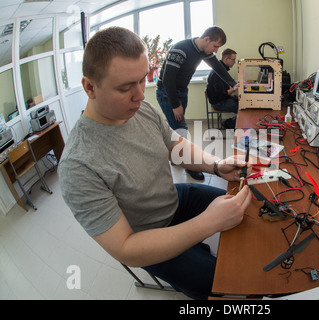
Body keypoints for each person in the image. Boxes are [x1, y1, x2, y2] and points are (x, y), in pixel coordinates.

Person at [58, 27, 252, 300]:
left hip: (172, 198)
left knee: (248, 208)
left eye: (142, 80)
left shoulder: (143, 109)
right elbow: (126, 248)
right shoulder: (79, 166)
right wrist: (207, 224)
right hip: (147, 236)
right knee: (226, 283)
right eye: (126, 87)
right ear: (90, 87)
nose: (140, 95)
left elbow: (176, 146)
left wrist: (216, 166)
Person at [156, 26, 237, 181]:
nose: (215, 51)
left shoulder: (203, 51)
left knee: (176, 128)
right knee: (182, 129)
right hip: (167, 93)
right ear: (206, 39)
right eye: (215, 46)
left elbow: (218, 67)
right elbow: (167, 79)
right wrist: (175, 105)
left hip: (181, 91)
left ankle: (176, 157)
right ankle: (190, 166)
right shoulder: (181, 49)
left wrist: (233, 83)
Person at [206, 48, 239, 129]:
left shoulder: (221, 70)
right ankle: (229, 123)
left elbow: (221, 92)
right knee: (243, 108)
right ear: (226, 59)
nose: (234, 62)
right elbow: (221, 94)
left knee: (242, 103)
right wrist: (234, 89)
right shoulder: (217, 73)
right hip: (218, 103)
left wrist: (231, 96)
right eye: (233, 59)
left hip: (221, 99)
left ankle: (231, 122)